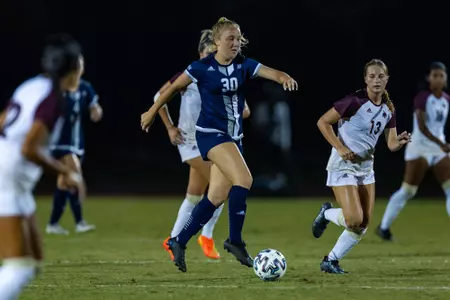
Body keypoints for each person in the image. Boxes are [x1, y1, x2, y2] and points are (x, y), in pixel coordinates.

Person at [141, 17, 297, 273]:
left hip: (233, 138)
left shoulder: (243, 65)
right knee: (244, 180)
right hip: (210, 135)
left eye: (238, 39)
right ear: (216, 42)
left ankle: (178, 241)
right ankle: (235, 241)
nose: (236, 43)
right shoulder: (200, 68)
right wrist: (151, 112)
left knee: (214, 196)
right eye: (230, 39)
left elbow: (272, 72)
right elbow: (169, 90)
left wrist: (284, 77)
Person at [0, 33, 86, 299]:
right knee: (19, 268)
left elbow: (3, 121)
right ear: (72, 67)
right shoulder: (53, 98)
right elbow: (28, 147)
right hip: (9, 176)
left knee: (32, 263)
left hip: (12, 176)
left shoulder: (32, 85)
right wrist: (67, 173)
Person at [155, 30, 251, 260]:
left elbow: (245, 110)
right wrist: (169, 127)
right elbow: (158, 98)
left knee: (194, 195)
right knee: (224, 186)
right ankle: (205, 235)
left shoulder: (223, 76)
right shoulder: (190, 75)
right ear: (200, 53)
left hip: (214, 139)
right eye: (209, 53)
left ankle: (174, 239)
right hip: (190, 142)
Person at [312, 59, 411, 274]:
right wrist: (339, 147)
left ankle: (331, 260)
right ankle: (327, 214)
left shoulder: (389, 108)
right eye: (372, 76)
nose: (376, 80)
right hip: (343, 165)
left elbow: (391, 144)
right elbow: (323, 122)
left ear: (387, 79)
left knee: (363, 224)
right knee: (353, 219)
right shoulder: (354, 102)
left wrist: (400, 141)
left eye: (380, 76)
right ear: (366, 79)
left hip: (366, 169)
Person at [377, 62, 450, 241]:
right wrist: (440, 143)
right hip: (419, 147)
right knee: (408, 191)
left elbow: (438, 126)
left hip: (439, 148)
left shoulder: (446, 99)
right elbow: (422, 126)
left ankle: (384, 227)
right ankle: (384, 227)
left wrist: (441, 144)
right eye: (435, 75)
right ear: (428, 78)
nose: (438, 79)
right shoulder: (422, 97)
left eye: (441, 75)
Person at [46, 55, 102, 235]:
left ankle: (53, 224)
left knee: (64, 183)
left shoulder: (85, 87)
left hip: (77, 143)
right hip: (59, 143)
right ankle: (79, 222)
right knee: (75, 176)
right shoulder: (59, 87)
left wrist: (96, 111)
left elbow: (95, 107)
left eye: (81, 62)